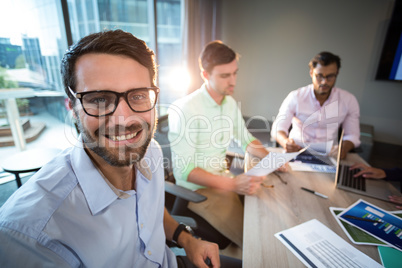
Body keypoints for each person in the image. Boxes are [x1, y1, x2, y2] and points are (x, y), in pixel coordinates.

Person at [0, 30, 222, 268]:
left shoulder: (151, 151)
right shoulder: (30, 236)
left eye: (137, 96)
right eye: (99, 99)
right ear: (72, 108)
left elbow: (150, 210)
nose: (125, 120)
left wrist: (186, 239)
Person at [168, 41, 274, 249]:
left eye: (235, 73)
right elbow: (184, 172)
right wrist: (233, 185)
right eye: (225, 76)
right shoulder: (185, 109)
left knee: (266, 215)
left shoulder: (229, 103)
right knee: (259, 240)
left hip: (223, 179)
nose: (233, 81)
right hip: (199, 190)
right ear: (205, 75)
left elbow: (245, 139)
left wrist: (271, 157)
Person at [271, 51, 360, 159]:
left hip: (330, 155)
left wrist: (343, 149)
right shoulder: (295, 97)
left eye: (330, 76)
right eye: (319, 76)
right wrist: (285, 142)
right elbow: (277, 128)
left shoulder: (348, 100)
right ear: (311, 73)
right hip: (297, 151)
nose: (324, 82)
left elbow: (353, 135)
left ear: (337, 73)